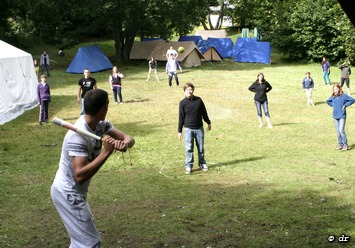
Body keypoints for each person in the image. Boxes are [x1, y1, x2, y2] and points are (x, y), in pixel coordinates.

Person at [50, 89, 135, 247]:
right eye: (108, 105)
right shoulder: (77, 136)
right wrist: (106, 152)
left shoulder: (101, 124)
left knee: (80, 242)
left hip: (76, 191)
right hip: (67, 192)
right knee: (89, 242)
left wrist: (124, 144)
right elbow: (80, 175)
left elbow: (129, 138)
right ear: (103, 108)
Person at [178, 82, 211, 174]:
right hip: (188, 129)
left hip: (199, 128)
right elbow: (181, 117)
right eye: (187, 90)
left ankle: (202, 163)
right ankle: (188, 165)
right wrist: (179, 131)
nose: (189, 91)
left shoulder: (199, 100)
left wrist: (208, 122)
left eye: (191, 90)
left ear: (193, 90)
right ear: (185, 91)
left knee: (200, 148)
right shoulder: (182, 103)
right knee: (189, 148)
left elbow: (204, 112)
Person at [326, 84, 355, 151]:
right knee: (338, 131)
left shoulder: (344, 96)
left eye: (336, 89)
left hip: (342, 116)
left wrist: (345, 105)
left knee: (341, 130)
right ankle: (340, 145)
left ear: (339, 89)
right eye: (334, 89)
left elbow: (353, 100)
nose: (335, 90)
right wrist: (333, 105)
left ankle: (345, 145)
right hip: (335, 116)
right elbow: (328, 101)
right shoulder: (333, 96)